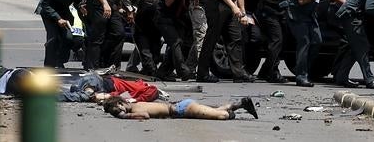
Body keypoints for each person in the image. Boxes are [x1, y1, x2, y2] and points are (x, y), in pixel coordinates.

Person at [287, 0, 327, 87]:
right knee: (304, 43)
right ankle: (301, 76)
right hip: (298, 15)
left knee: (317, 41)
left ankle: (305, 70)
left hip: (309, 15)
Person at [35, 0, 84, 68]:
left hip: (64, 12)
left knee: (69, 38)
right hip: (48, 11)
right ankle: (49, 66)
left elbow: (77, 2)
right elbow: (45, 4)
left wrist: (82, 8)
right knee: (53, 39)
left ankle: (60, 61)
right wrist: (58, 18)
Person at [330, 0, 369, 82]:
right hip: (341, 18)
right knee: (346, 45)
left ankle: (339, 74)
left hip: (351, 18)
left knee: (348, 46)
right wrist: (350, 5)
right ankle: (338, 73)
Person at [154, 0, 195, 81]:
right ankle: (182, 70)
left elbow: (193, 3)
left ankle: (163, 72)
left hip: (178, 19)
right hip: (164, 18)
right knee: (175, 42)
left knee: (179, 45)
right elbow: (168, 2)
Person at [103, 95, 258, 120]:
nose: (118, 113)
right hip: (182, 105)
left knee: (221, 116)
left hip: (182, 109)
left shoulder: (135, 109)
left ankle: (232, 113)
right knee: (216, 110)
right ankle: (241, 104)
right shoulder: (135, 103)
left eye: (117, 110)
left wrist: (125, 116)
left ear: (120, 103)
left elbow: (146, 116)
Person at [59, 72, 159, 103]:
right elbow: (153, 91)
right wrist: (136, 100)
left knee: (82, 95)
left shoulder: (129, 94)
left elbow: (116, 95)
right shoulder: (141, 88)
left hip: (98, 85)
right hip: (98, 82)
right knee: (86, 96)